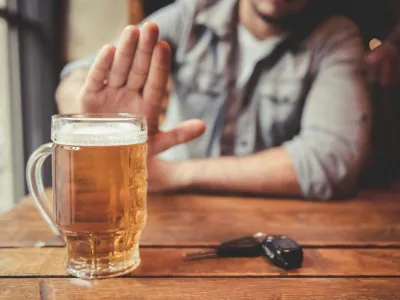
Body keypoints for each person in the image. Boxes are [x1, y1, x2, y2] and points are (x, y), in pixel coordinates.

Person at [56, 0, 371, 200]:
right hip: (167, 210)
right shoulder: (190, 13)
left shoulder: (336, 36)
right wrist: (99, 124)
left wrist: (174, 175)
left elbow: (332, 159)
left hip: (275, 221)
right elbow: (75, 79)